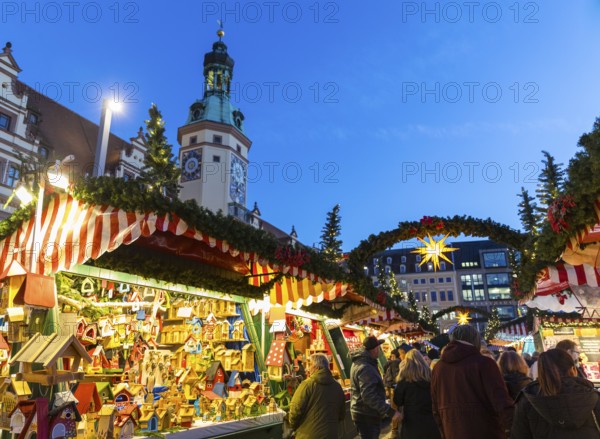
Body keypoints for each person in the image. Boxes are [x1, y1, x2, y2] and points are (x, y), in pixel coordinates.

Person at [431, 324, 514, 439]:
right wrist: (513, 430)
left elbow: (435, 408)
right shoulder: (484, 363)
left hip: (452, 431)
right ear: (475, 339)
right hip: (487, 431)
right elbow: (501, 401)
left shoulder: (438, 368)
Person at [512, 348, 600, 439]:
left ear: (541, 372)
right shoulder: (593, 396)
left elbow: (519, 435)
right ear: (573, 369)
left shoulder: (528, 399)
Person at [350, 335, 401, 439]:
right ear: (374, 349)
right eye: (379, 348)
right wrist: (389, 411)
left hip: (362, 412)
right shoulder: (366, 367)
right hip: (366, 414)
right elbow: (369, 396)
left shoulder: (361, 362)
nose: (380, 350)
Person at [288, 353, 345, 439]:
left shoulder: (306, 385)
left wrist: (294, 427)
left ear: (317, 367)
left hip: (308, 435)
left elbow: (295, 410)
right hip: (331, 434)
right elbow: (341, 414)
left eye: (310, 365)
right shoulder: (337, 386)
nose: (307, 369)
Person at [393, 349, 442, 439]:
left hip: (411, 424)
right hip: (431, 422)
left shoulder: (403, 380)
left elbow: (397, 401)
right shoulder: (431, 376)